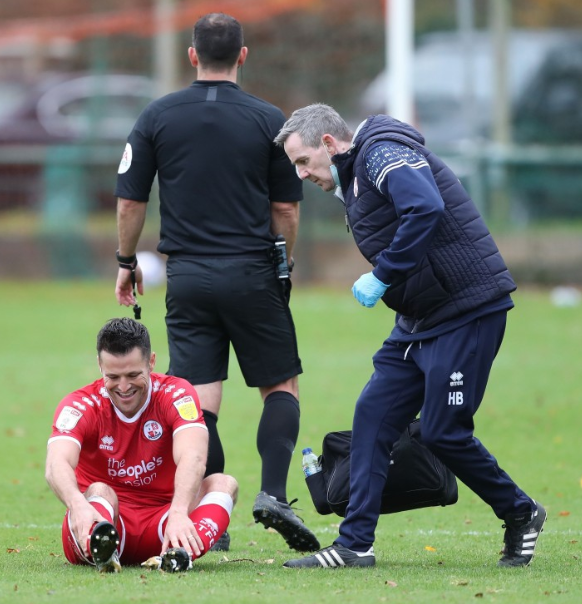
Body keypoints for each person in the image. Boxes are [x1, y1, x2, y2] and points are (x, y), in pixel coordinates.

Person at [274, 103, 546, 569]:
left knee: (443, 431)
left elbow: (425, 206)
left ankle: (522, 512)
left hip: (467, 310)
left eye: (302, 162)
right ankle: (355, 545)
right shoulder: (355, 179)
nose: (300, 175)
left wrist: (382, 274)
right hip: (420, 322)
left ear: (328, 143)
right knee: (372, 413)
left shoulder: (380, 153)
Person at [113, 13, 318, 553]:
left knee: (199, 401)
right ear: (243, 57)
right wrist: (285, 264)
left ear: (191, 55)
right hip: (252, 272)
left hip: (188, 278)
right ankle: (272, 494)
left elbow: (132, 199)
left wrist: (126, 260)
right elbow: (286, 209)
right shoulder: (268, 120)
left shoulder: (157, 116)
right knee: (280, 387)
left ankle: (214, 513)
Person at [45, 317, 238, 573]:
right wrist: (78, 507)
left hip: (165, 526)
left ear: (152, 362)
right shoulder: (80, 405)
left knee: (224, 484)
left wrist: (179, 513)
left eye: (133, 375)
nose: (124, 387)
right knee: (101, 491)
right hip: (96, 521)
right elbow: (55, 464)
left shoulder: (177, 394)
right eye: (113, 376)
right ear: (99, 366)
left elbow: (194, 456)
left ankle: (178, 554)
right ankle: (101, 546)